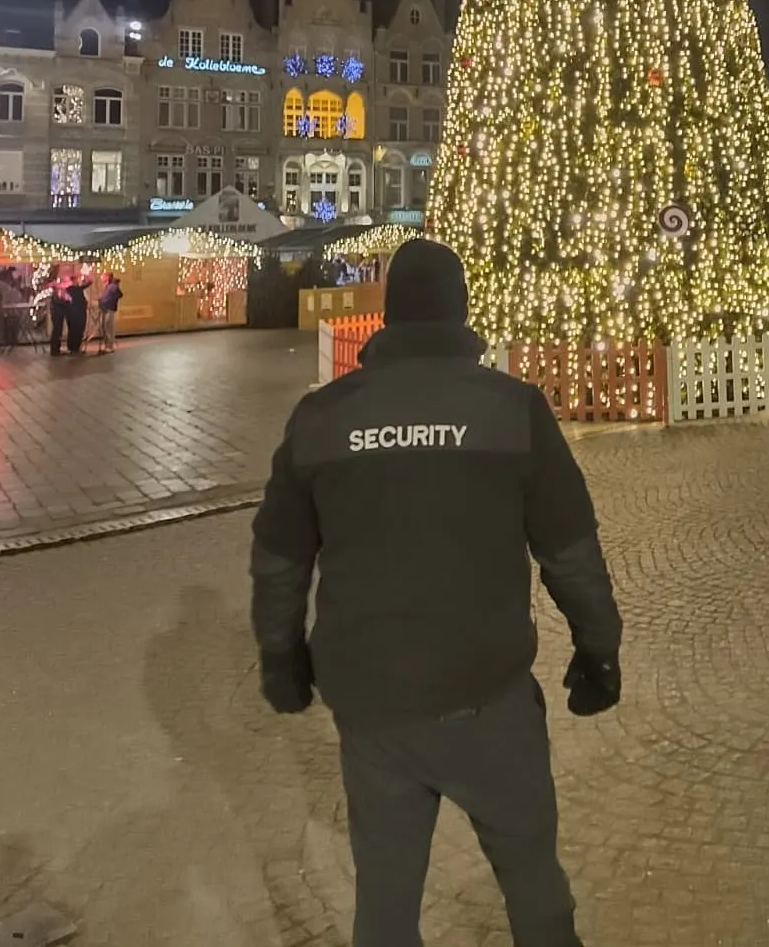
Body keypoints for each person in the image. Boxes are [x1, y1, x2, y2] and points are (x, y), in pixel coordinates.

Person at [251, 240, 622, 947]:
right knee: (533, 881)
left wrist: (281, 657)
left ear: (389, 318)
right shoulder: (512, 409)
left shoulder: (323, 416)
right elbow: (570, 550)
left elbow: (279, 558)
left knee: (385, 903)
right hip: (487, 696)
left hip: (372, 708)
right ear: (460, 313)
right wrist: (599, 652)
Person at [64, 271, 91, 355]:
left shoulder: (68, 289)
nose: (78, 281)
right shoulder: (76, 289)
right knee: (78, 331)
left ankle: (72, 347)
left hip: (70, 314)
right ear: (74, 281)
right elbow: (88, 284)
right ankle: (75, 347)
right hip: (78, 314)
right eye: (77, 280)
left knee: (72, 331)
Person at [46, 265, 69, 356]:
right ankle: (55, 349)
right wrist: (65, 301)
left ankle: (56, 349)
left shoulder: (55, 286)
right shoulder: (55, 288)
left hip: (57, 311)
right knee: (57, 330)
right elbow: (58, 300)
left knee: (57, 330)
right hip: (57, 312)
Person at [97, 274, 123, 352]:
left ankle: (110, 346)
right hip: (104, 308)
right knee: (103, 327)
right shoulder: (107, 286)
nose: (101, 278)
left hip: (109, 309)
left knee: (108, 327)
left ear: (107, 278)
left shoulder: (112, 286)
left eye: (103, 277)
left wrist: (110, 301)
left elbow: (119, 294)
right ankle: (107, 345)